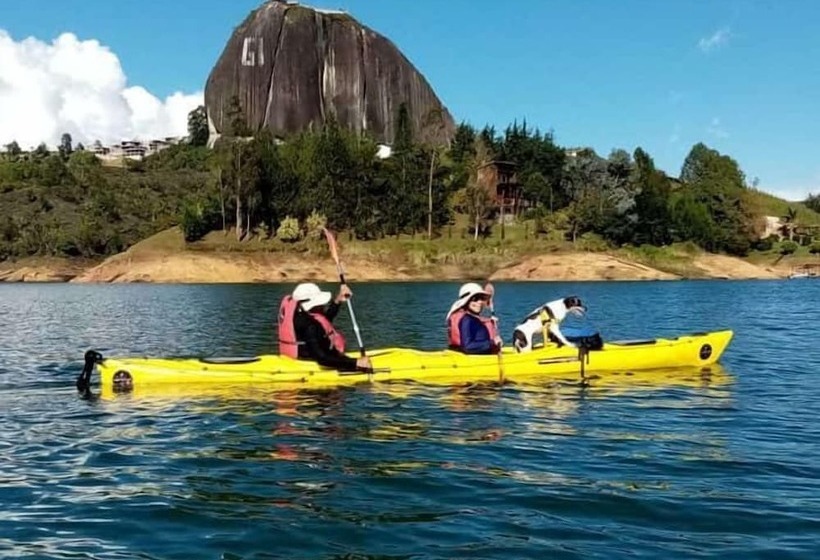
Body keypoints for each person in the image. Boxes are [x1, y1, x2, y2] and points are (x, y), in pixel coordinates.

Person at [278, 282, 372, 372]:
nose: (323, 305)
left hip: (297, 357)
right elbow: (322, 358)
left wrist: (337, 301)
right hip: (312, 362)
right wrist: (356, 363)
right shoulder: (309, 326)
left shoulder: (299, 314)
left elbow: (322, 323)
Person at [512, 296, 587, 352]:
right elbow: (554, 329)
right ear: (570, 305)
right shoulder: (558, 312)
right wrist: (568, 343)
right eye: (576, 307)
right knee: (525, 353)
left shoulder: (553, 306)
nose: (579, 310)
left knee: (522, 351)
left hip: (520, 332)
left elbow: (548, 327)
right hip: (523, 333)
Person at [445, 282, 503, 354]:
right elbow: (468, 347)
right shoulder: (466, 320)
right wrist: (492, 342)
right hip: (470, 358)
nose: (479, 302)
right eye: (475, 298)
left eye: (481, 298)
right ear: (466, 301)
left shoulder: (472, 319)